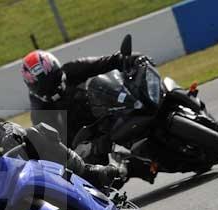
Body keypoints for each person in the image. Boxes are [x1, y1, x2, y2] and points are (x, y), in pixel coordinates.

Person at [21, 49, 157, 183]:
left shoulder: (71, 70)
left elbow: (107, 62)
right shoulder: (41, 113)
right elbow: (55, 149)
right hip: (85, 143)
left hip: (105, 116)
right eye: (48, 87)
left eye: (56, 78)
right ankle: (127, 168)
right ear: (35, 88)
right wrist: (85, 149)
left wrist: (133, 59)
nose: (57, 87)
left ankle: (151, 143)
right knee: (100, 177)